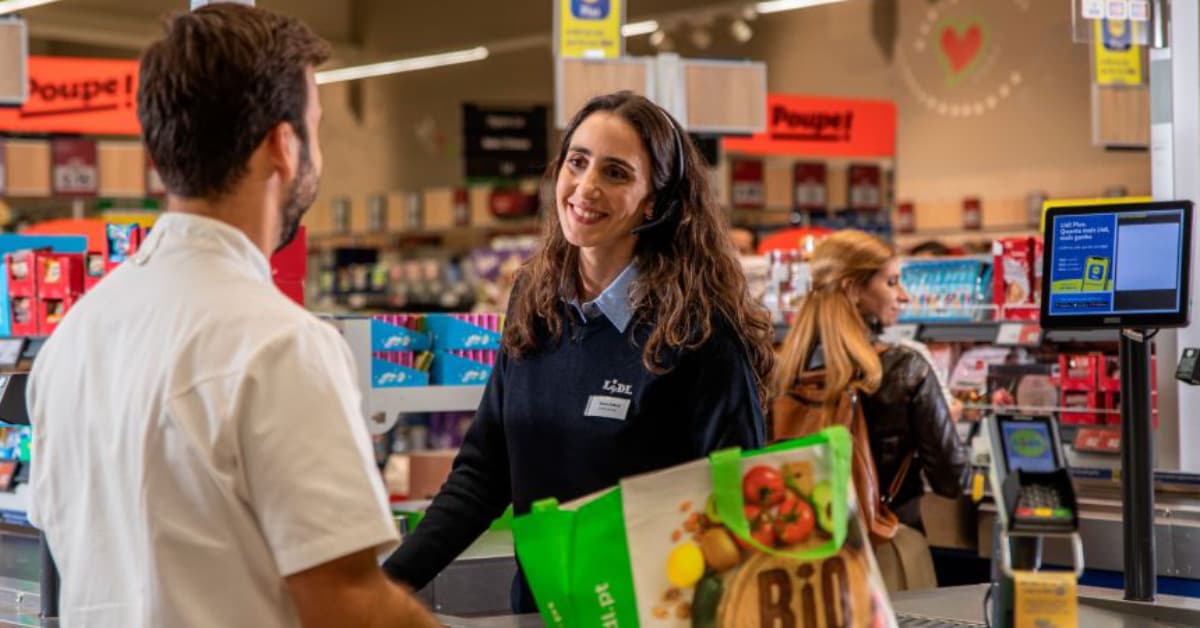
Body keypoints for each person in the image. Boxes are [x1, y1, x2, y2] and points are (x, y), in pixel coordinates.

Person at [27, 5, 436, 627]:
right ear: (284, 144)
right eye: (316, 126)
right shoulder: (281, 345)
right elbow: (348, 605)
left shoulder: (74, 338)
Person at [384, 91, 775, 611]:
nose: (586, 187)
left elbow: (741, 505)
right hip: (541, 610)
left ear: (653, 200)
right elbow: (484, 474)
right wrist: (386, 587)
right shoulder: (535, 300)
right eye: (578, 162)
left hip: (654, 616)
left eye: (616, 173)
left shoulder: (699, 332)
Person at [772, 230, 970, 587]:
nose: (903, 295)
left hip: (801, 558)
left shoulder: (780, 372)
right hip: (885, 551)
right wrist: (945, 422)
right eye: (892, 282)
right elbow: (951, 480)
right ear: (853, 289)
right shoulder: (906, 369)